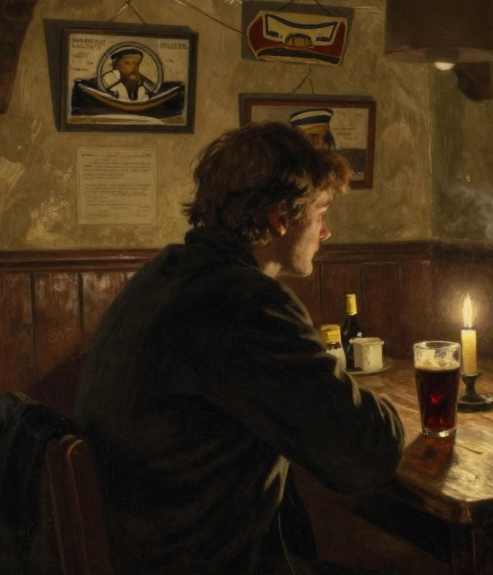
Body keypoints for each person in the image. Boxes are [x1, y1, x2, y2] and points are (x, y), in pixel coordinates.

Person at [75, 122, 405, 575]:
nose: (326, 232)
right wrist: (389, 408)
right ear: (281, 218)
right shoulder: (245, 304)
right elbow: (365, 455)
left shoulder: (169, 272)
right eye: (322, 212)